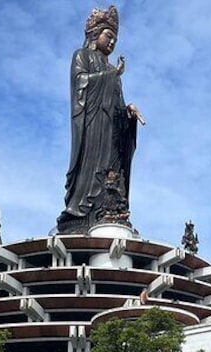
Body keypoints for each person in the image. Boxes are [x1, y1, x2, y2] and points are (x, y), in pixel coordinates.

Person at [57, 5, 145, 234]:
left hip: (112, 132)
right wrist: (111, 75)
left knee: (114, 173)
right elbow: (81, 85)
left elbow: (117, 105)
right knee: (92, 168)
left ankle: (113, 209)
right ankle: (83, 213)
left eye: (115, 38)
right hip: (93, 128)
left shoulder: (113, 71)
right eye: (109, 36)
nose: (113, 42)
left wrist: (128, 112)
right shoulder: (82, 56)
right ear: (95, 35)